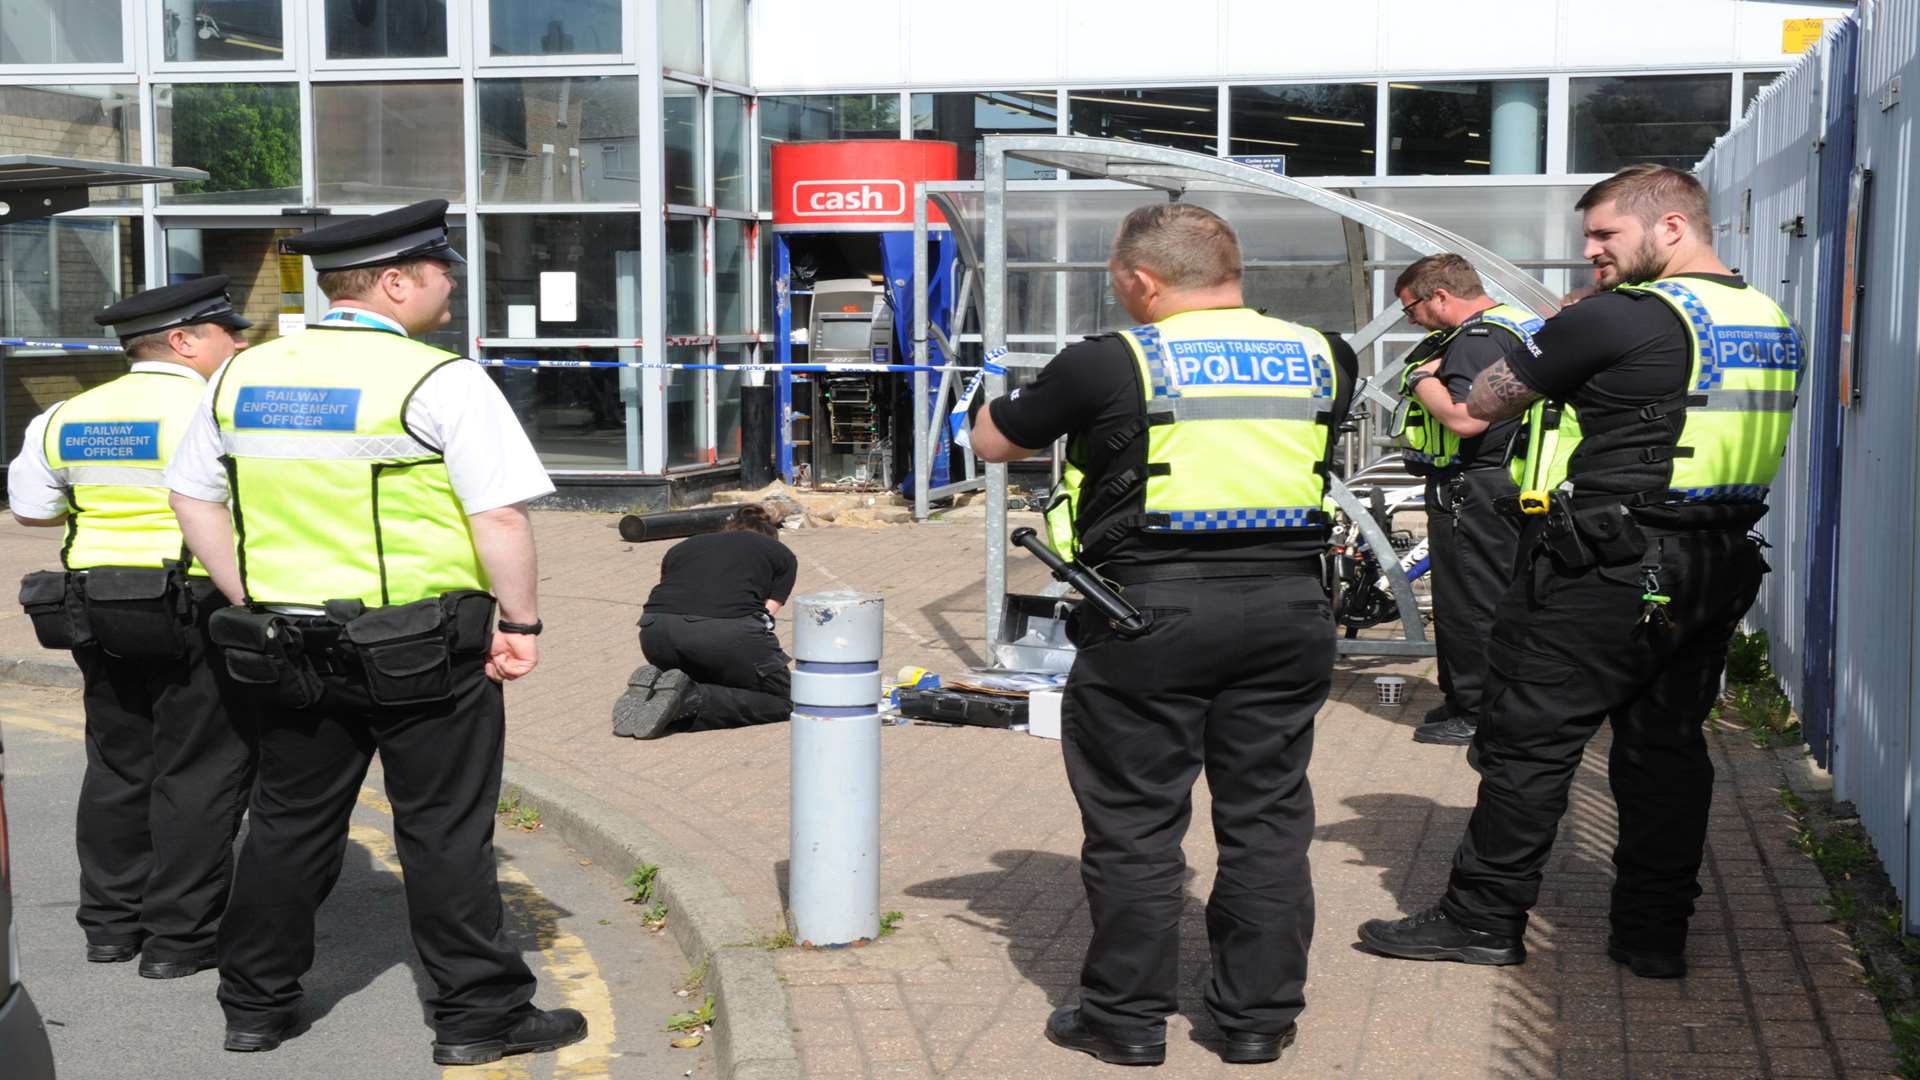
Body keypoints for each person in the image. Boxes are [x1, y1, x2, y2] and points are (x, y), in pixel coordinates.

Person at [164, 200, 588, 1064]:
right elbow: (497, 516)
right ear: (396, 281)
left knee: (288, 822)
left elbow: (190, 497)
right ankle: (478, 1020)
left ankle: (255, 1005)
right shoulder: (440, 379)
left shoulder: (241, 375)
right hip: (424, 645)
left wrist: (251, 593)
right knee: (442, 829)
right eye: (442, 272)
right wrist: (522, 622)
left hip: (287, 642)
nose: (452, 286)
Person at [1357, 165, 1800, 979]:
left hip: (1612, 566)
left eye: (1604, 236)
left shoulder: (1620, 317)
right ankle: (1653, 935)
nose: (1590, 253)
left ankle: (1481, 918)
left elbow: (1481, 407)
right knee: (1665, 748)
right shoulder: (1766, 315)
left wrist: (1561, 337)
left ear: (1671, 226)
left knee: (1529, 740)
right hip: (1717, 560)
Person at [971, 203, 1354, 1067]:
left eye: (1118, 280)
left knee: (1138, 823)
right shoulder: (1328, 354)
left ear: (1141, 280)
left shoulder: (1107, 364)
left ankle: (1126, 1019)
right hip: (1290, 610)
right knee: (1267, 817)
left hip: (1150, 614)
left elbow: (994, 441)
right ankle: (1257, 1019)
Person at [7, 277, 258, 980]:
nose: (239, 342)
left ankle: (111, 928)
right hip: (196, 602)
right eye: (225, 332)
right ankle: (179, 939)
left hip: (95, 606)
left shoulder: (65, 413)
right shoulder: (219, 410)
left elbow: (32, 510)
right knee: (200, 769)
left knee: (119, 765)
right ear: (183, 340)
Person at [1391, 254, 1543, 746]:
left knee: (1472, 604)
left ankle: (1479, 714)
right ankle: (1468, 701)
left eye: (1410, 307)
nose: (1411, 319)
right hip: (1504, 483)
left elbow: (1465, 418)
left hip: (1474, 487)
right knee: (1490, 598)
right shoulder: (1518, 324)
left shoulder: (1478, 339)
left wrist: (1420, 379)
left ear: (1440, 296)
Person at [611, 503, 797, 739]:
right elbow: (767, 614)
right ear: (771, 535)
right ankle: (690, 700)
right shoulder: (781, 554)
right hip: (724, 633)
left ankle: (658, 693)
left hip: (655, 631)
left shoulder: (684, 546)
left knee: (709, 667)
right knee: (786, 699)